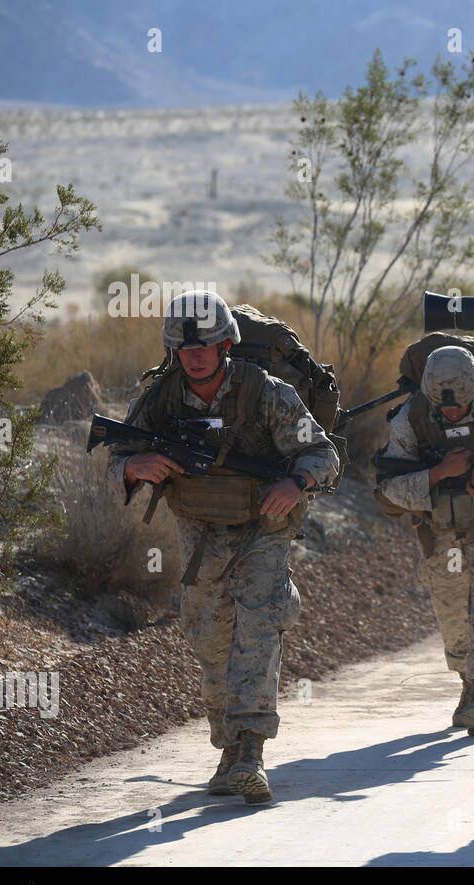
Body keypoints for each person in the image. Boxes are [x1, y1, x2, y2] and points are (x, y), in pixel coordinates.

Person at [108, 290, 340, 803]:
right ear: (174, 350)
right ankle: (228, 746)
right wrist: (133, 467)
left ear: (226, 344)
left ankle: (252, 753)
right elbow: (116, 455)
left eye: (205, 345)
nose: (195, 355)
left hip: (263, 529)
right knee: (210, 641)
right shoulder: (159, 399)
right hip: (199, 539)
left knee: (257, 626)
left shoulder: (269, 394)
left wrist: (295, 483)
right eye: (185, 348)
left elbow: (324, 454)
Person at [376, 346, 474, 737]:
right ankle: (466, 680)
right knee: (455, 625)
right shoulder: (412, 419)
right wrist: (438, 474)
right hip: (442, 540)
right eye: (446, 407)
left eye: (462, 405)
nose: (454, 412)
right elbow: (389, 488)